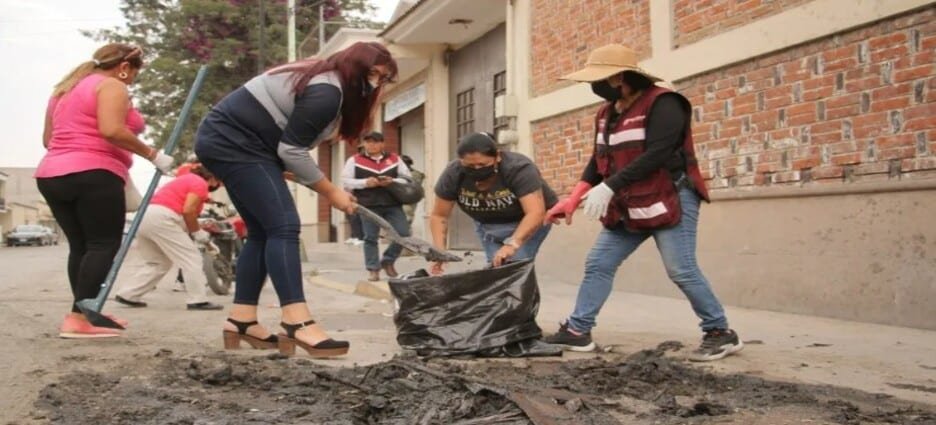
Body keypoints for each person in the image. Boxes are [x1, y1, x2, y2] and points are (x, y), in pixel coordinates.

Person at [542, 44, 743, 362]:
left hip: (670, 196)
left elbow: (658, 153)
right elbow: (598, 160)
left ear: (619, 77)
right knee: (599, 263)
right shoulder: (607, 113)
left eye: (598, 79)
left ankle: (720, 331)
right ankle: (578, 331)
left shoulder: (665, 104)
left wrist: (609, 187)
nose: (593, 87)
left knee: (681, 269)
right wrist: (574, 199)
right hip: (628, 203)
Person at [195, 41, 396, 357]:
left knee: (262, 231)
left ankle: (242, 320)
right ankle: (296, 322)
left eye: (383, 78)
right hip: (234, 143)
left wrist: (281, 172)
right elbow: (292, 150)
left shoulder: (327, 84)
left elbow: (285, 147)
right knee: (285, 226)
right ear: (355, 68)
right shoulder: (328, 92)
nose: (377, 83)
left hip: (239, 145)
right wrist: (332, 192)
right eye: (375, 75)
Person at [35, 43, 174, 338]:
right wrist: (153, 154)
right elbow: (111, 129)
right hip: (94, 173)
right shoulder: (111, 86)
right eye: (135, 73)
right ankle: (77, 319)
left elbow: (49, 139)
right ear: (125, 67)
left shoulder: (64, 90)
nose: (133, 79)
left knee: (82, 247)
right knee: (103, 245)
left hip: (51, 174)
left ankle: (86, 312)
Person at [429, 132, 557, 274]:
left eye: (482, 164)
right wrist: (439, 252)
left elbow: (535, 212)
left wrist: (512, 244)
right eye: (470, 166)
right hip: (487, 227)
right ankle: (505, 296)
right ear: (461, 161)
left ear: (497, 157)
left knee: (514, 268)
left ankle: (519, 294)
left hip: (526, 221)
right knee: (497, 272)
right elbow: (439, 215)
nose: (477, 169)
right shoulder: (453, 173)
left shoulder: (518, 168)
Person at [113, 165, 225, 310]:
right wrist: (199, 234)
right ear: (212, 178)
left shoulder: (186, 179)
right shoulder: (200, 183)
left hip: (144, 216)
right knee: (191, 258)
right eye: (220, 183)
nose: (219, 186)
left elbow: (183, 204)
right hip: (162, 218)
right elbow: (188, 211)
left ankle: (128, 295)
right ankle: (197, 300)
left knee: (158, 262)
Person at [341, 131, 413, 282]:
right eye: (368, 142)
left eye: (375, 142)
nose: (371, 145)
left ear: (382, 144)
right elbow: (346, 181)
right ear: (363, 144)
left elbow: (407, 179)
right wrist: (364, 182)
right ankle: (373, 269)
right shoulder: (354, 160)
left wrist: (392, 181)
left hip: (392, 203)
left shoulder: (394, 159)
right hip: (368, 204)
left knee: (403, 234)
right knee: (370, 237)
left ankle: (388, 260)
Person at [400, 154, 425, 225]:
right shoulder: (415, 173)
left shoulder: (412, 174)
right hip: (407, 201)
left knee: (406, 220)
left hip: (407, 200)